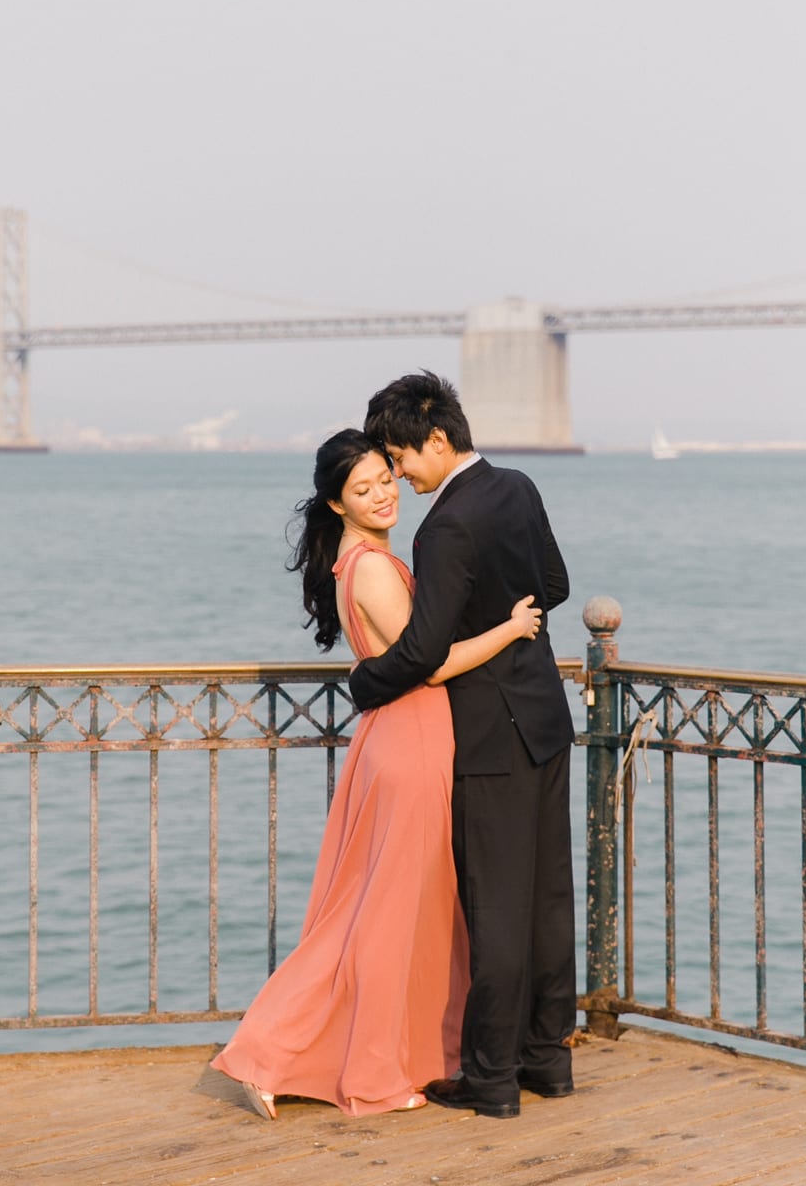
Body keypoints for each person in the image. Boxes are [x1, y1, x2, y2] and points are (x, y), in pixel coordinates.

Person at [211, 428, 542, 1120]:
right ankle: (278, 1054)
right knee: (382, 918)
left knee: (388, 912)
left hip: (398, 739)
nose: (384, 494)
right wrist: (510, 630)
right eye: (363, 490)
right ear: (337, 504)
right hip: (411, 744)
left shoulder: (363, 560)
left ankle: (393, 1056)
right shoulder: (369, 567)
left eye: (385, 479)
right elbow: (432, 662)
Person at [348, 372, 576, 1120]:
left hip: (485, 734)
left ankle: (491, 1079)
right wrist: (511, 624)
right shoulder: (516, 484)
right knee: (546, 900)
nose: (399, 474)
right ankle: (548, 1061)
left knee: (498, 908)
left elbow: (422, 648)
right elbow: (556, 584)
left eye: (401, 458)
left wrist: (365, 683)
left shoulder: (443, 527)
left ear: (436, 441)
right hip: (544, 715)